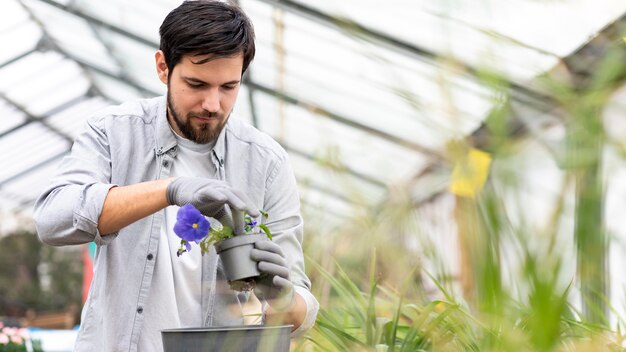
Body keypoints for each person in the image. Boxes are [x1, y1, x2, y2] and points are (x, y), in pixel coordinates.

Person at [33, 1, 319, 351]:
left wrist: (284, 299)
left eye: (228, 87)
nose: (213, 104)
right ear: (163, 67)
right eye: (197, 84)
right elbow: (53, 219)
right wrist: (170, 190)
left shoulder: (266, 162)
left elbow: (299, 310)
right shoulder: (114, 132)